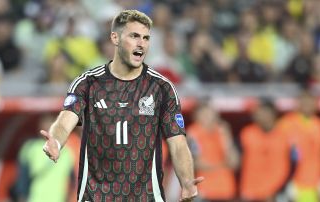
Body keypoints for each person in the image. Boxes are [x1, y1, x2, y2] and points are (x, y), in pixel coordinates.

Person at [41, 9, 203, 202]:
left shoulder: (162, 88)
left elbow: (177, 142)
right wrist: (57, 141)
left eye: (146, 38)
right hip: (96, 196)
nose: (141, 43)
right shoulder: (88, 83)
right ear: (115, 38)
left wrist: (186, 182)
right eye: (134, 36)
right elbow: (65, 121)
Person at [187, 102, 239, 202]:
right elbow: (198, 164)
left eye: (211, 114)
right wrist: (222, 165)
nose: (208, 118)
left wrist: (226, 137)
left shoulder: (222, 131)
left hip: (226, 188)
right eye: (204, 114)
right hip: (205, 188)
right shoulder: (193, 132)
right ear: (196, 117)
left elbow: (234, 162)